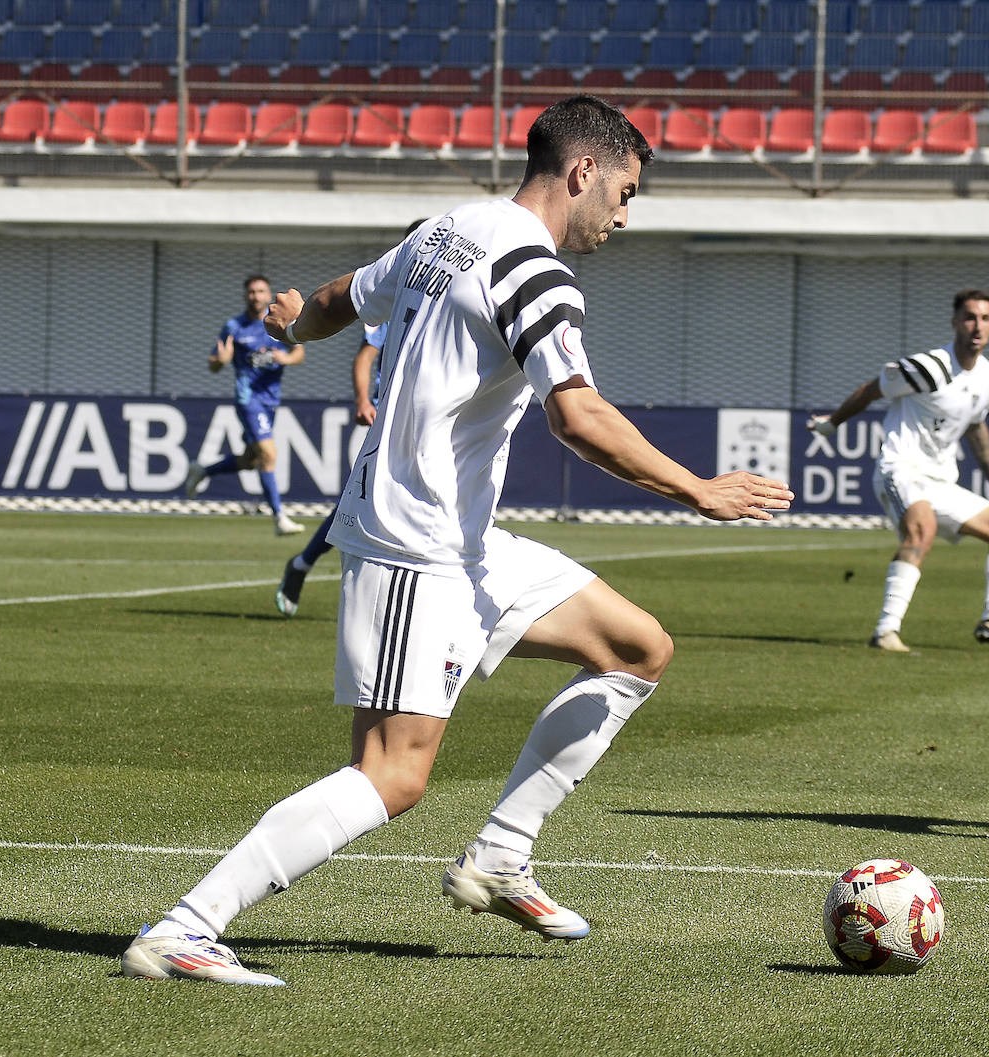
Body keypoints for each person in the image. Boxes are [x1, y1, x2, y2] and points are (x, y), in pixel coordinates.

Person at [122, 95, 793, 986]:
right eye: (626, 192)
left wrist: (291, 327)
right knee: (393, 775)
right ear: (583, 172)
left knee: (637, 646)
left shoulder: (448, 228)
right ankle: (186, 927)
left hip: (467, 544)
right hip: (415, 545)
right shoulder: (537, 270)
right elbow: (578, 415)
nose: (626, 216)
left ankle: (501, 855)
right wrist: (696, 488)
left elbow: (332, 300)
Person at [806, 289, 989, 652]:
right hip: (901, 468)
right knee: (921, 530)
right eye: (970, 317)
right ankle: (885, 631)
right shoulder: (929, 367)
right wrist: (831, 425)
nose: (977, 325)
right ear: (955, 322)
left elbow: (974, 426)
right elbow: (871, 390)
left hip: (940, 479)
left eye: (985, 318)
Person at [275, 219, 427, 617]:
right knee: (362, 505)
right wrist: (363, 399)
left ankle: (305, 566)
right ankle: (308, 568)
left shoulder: (459, 298)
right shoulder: (393, 303)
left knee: (379, 508)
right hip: (388, 421)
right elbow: (365, 357)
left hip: (432, 427)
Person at [185, 274, 307, 536]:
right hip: (248, 398)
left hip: (270, 400)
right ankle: (279, 518)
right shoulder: (234, 327)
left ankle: (202, 471)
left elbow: (299, 352)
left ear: (268, 294)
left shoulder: (279, 322)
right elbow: (213, 364)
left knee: (251, 460)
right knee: (269, 455)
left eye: (261, 291)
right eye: (251, 292)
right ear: (245, 295)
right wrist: (223, 359)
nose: (256, 296)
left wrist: (285, 359)